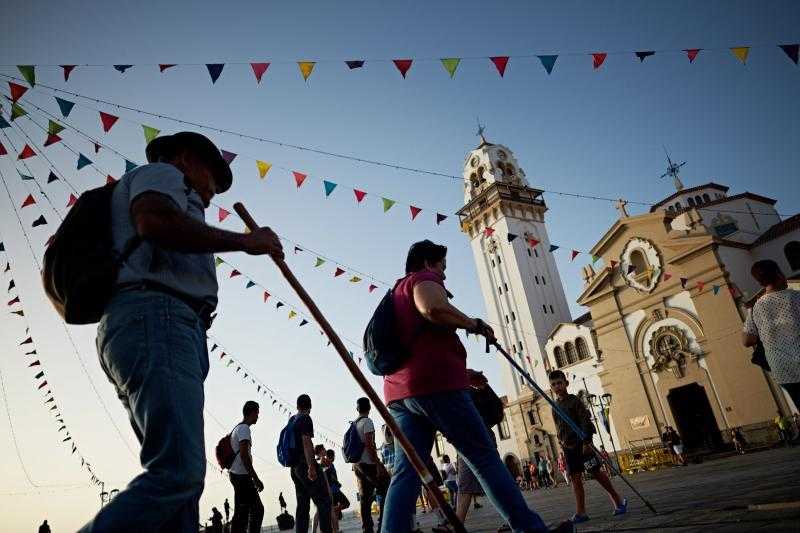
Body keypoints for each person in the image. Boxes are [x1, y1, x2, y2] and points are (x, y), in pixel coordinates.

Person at [78, 132, 283, 532]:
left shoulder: (166, 182)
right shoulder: (165, 174)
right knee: (178, 473)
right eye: (213, 180)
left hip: (160, 324)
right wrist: (245, 242)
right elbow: (155, 221)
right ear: (188, 160)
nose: (212, 194)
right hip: (158, 317)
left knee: (182, 493)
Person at [381, 240, 572, 533]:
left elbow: (418, 344)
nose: (444, 276)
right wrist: (473, 323)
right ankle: (530, 529)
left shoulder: (396, 292)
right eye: (442, 268)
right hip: (437, 387)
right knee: (483, 456)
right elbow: (432, 307)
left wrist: (463, 371)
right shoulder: (422, 279)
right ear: (429, 263)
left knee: (406, 473)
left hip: (400, 393)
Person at [549, 370, 626, 524]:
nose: (557, 386)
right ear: (551, 388)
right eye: (554, 385)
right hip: (568, 448)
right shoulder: (554, 406)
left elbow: (585, 421)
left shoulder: (575, 401)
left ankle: (618, 500)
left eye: (559, 383)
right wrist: (561, 442)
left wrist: (587, 441)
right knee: (576, 480)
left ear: (566, 383)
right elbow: (558, 427)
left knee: (596, 473)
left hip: (582, 445)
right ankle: (581, 511)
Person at [743, 260, 800, 409]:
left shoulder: (756, 307)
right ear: (778, 274)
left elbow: (747, 340)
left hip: (781, 368)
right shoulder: (796, 297)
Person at [290, 394, 333, 533]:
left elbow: (299, 445)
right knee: (324, 500)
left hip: (294, 467)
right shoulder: (305, 418)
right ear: (310, 407)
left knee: (302, 505)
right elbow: (306, 442)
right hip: (304, 465)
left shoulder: (292, 420)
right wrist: (311, 466)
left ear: (297, 406)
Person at [228, 401, 265, 533]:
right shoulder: (244, 429)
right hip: (242, 476)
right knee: (258, 510)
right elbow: (244, 456)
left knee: (241, 512)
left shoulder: (237, 428)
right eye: (257, 413)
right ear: (252, 412)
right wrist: (255, 478)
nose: (258, 416)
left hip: (236, 474)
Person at [352, 397, 386, 533]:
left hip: (357, 465)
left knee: (365, 500)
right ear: (369, 408)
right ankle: (383, 523)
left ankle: (367, 529)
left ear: (357, 408)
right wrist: (378, 464)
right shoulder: (367, 422)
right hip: (369, 464)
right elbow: (369, 445)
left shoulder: (354, 424)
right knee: (387, 489)